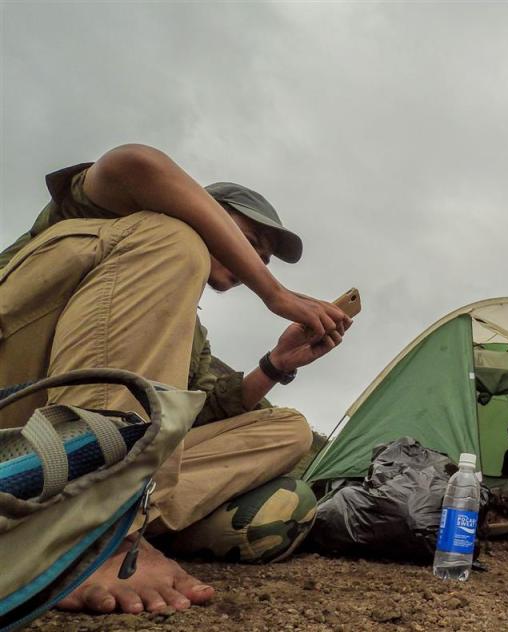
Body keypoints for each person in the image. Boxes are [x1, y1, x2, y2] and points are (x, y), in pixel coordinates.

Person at [0, 144, 352, 614]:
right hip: (16, 390)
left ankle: (124, 513)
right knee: (171, 239)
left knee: (287, 428)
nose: (256, 264)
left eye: (264, 261)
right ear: (208, 212)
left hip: (58, 459)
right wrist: (275, 293)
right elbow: (135, 164)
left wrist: (276, 364)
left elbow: (203, 405)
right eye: (247, 240)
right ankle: (89, 533)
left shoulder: (185, 324)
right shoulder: (131, 221)